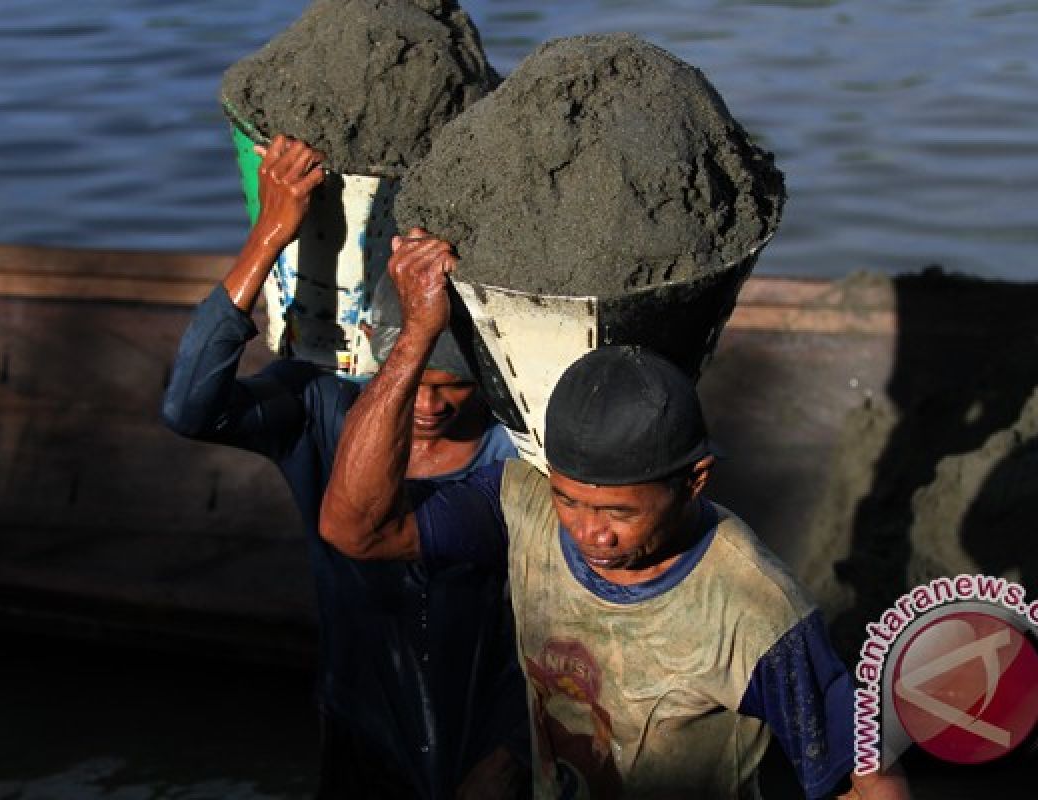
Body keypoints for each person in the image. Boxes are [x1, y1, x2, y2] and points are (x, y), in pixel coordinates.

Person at [319, 235, 913, 799]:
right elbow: (355, 529)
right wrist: (414, 339)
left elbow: (862, 777)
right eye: (570, 500)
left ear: (694, 481)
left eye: (618, 512)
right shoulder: (523, 501)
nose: (589, 533)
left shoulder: (755, 612)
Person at [161, 135, 528, 799]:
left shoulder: (511, 456)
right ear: (372, 352)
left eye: (456, 387)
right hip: (361, 723)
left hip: (490, 738)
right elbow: (190, 407)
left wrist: (510, 747)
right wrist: (271, 231)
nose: (432, 407)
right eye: (414, 381)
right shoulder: (321, 409)